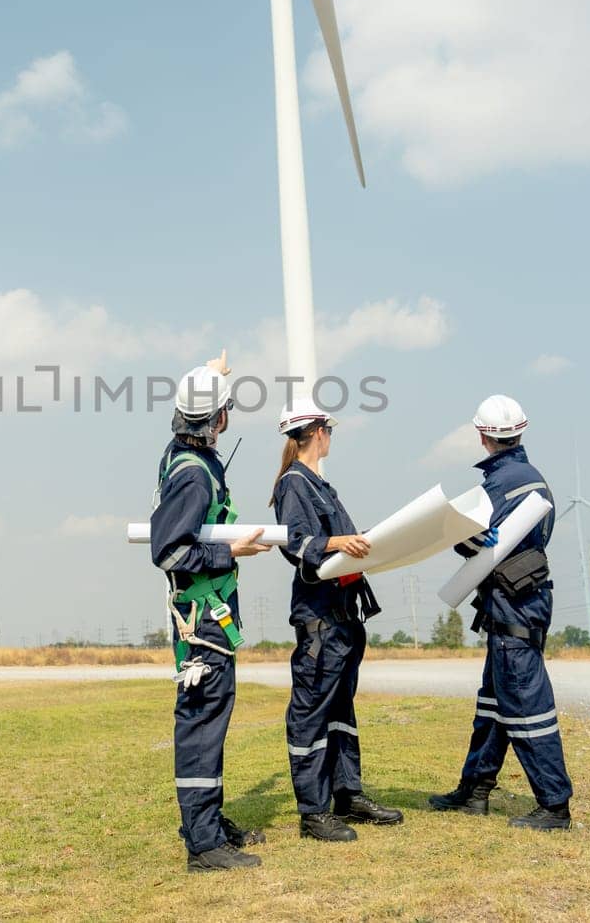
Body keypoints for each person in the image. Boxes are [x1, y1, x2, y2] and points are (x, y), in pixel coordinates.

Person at [150, 352, 272, 872]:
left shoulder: (181, 453)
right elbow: (168, 551)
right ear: (219, 419)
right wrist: (231, 552)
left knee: (212, 723)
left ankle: (209, 823)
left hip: (207, 614)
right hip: (203, 620)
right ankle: (203, 844)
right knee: (201, 724)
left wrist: (211, 375)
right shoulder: (195, 478)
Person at [428, 394, 573, 829]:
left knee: (527, 707)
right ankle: (475, 791)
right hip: (523, 600)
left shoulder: (496, 483)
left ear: (481, 435)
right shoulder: (536, 479)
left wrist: (456, 535)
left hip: (514, 605)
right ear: (521, 431)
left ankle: (554, 805)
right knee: (494, 704)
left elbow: (470, 541)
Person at [270, 401, 404, 842]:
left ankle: (348, 793)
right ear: (317, 433)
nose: (332, 435)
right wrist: (338, 541)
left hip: (344, 616)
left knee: (340, 711)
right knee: (310, 714)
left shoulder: (319, 484)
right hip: (320, 620)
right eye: (329, 428)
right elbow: (295, 544)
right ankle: (313, 812)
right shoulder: (295, 485)